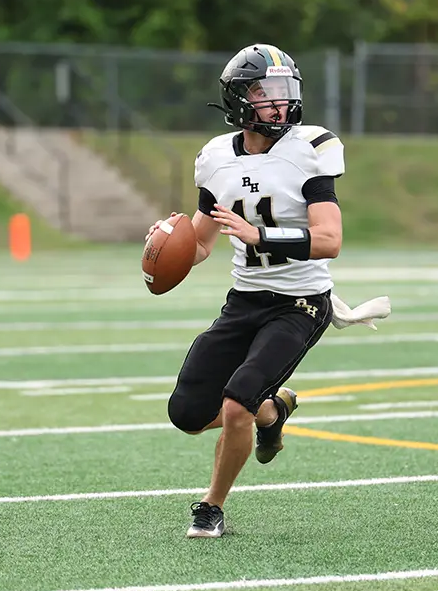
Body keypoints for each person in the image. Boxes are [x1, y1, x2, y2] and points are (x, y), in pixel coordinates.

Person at [148, 43, 386, 539]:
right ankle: (273, 410)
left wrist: (261, 235)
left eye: (284, 92)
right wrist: (167, 244)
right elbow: (201, 244)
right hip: (245, 300)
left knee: (235, 404)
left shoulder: (311, 149)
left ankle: (211, 507)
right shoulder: (216, 158)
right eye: (265, 94)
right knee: (187, 413)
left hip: (300, 304)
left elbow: (330, 240)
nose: (279, 104)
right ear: (239, 101)